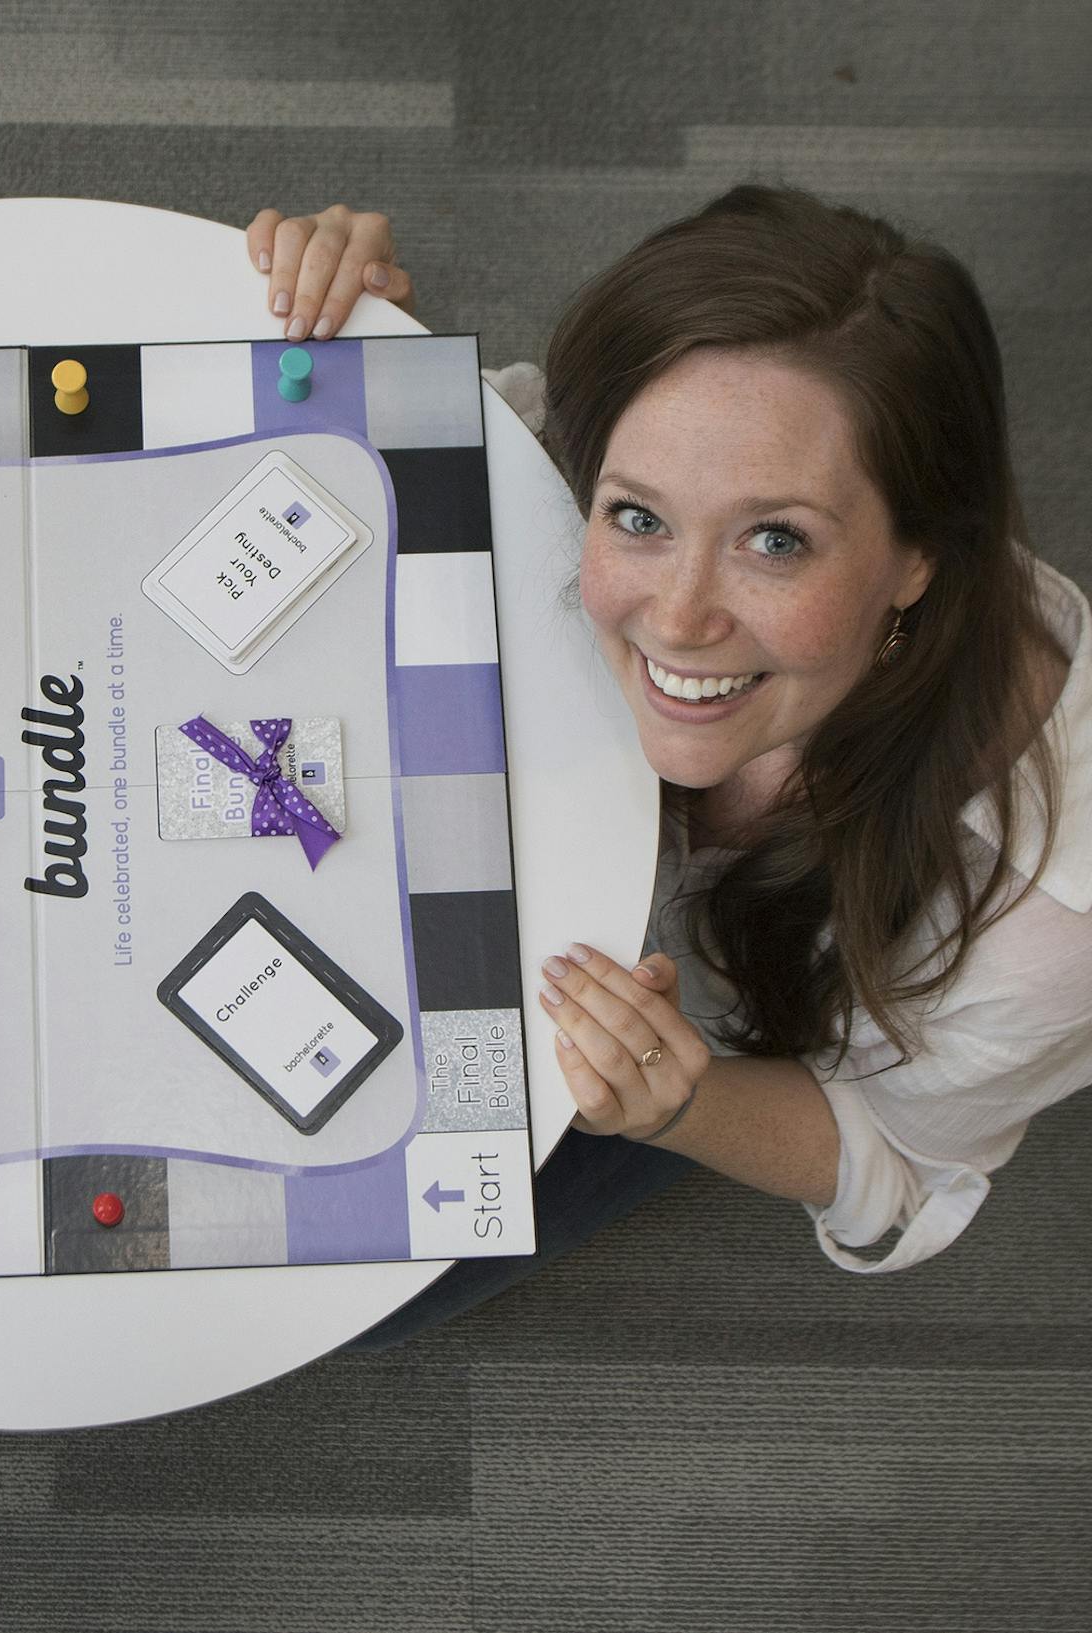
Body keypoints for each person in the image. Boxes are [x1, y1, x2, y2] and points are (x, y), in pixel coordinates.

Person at [242, 189, 1091, 1340]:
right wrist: (363, 349)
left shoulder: (1053, 922)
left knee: (333, 1284)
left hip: (688, 1045)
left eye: (775, 540)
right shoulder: (605, 478)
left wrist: (678, 1105)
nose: (679, 619)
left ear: (921, 557)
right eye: (639, 518)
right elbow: (457, 497)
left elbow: (891, 1162)